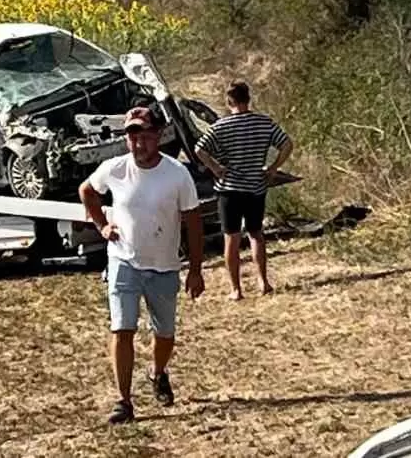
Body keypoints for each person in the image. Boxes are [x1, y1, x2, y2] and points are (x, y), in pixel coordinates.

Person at [79, 105, 205, 425]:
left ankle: (158, 371)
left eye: (145, 136)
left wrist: (195, 269)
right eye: (133, 136)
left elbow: (192, 221)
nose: (139, 143)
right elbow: (88, 191)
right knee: (123, 328)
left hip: (164, 265)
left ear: (159, 136)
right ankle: (123, 401)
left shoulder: (177, 174)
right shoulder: (114, 168)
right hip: (124, 260)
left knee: (164, 335)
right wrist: (102, 226)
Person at [194, 81, 292, 300]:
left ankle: (236, 289)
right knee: (256, 234)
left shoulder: (222, 126)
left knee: (232, 238)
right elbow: (286, 144)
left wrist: (216, 168)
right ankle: (263, 281)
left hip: (229, 189)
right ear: (248, 98)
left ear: (228, 101)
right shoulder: (263, 123)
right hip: (255, 186)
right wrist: (273, 168)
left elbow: (199, 148)